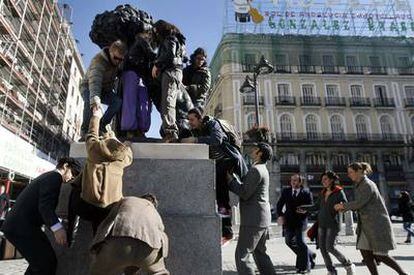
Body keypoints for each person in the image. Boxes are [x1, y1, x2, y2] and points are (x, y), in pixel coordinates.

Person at [2, 158, 81, 275]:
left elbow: (41, 206)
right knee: (46, 262)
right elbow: (45, 206)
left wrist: (57, 222)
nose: (72, 178)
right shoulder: (54, 177)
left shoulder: (48, 176)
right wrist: (57, 228)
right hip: (22, 227)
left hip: (21, 226)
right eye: (73, 173)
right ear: (65, 166)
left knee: (40, 263)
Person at [181, 107, 247, 243]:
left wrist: (195, 140)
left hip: (228, 160)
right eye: (189, 120)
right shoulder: (196, 130)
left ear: (200, 118)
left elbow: (217, 140)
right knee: (219, 197)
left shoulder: (212, 123)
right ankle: (224, 229)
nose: (190, 122)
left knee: (222, 196)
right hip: (216, 163)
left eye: (192, 119)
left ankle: (227, 231)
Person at [68, 104, 133, 236]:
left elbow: (91, 134)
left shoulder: (94, 149)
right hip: (110, 208)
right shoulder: (122, 158)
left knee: (76, 186)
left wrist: (96, 116)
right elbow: (129, 155)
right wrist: (125, 145)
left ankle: (70, 230)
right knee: (100, 233)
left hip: (87, 205)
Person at [334, 162, 408, 275]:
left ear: (359, 171)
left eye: (350, 172)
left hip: (376, 224)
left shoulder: (367, 184)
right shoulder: (360, 184)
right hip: (366, 226)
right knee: (366, 254)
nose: (349, 175)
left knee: (381, 255)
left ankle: (403, 274)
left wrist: (343, 206)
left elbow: (360, 203)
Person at [226, 142, 276, 275]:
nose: (252, 151)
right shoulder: (262, 169)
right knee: (260, 254)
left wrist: (230, 180)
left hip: (253, 219)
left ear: (260, 153)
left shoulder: (256, 170)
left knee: (242, 255)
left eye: (255, 149)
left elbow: (244, 192)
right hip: (261, 218)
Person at [90, 194, 169, 275]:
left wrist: (96, 245)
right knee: (159, 272)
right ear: (154, 205)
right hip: (149, 248)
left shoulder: (126, 200)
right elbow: (162, 236)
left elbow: (108, 222)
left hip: (120, 243)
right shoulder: (155, 213)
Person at [298, 171, 355, 275]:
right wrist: (303, 208)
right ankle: (331, 270)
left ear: (331, 180)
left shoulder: (338, 191)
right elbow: (315, 207)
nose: (323, 181)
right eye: (322, 180)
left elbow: (345, 204)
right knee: (323, 249)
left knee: (330, 247)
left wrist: (341, 205)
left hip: (332, 224)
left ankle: (348, 264)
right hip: (321, 224)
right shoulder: (322, 192)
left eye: (325, 179)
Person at [80, 40, 128, 138]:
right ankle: (85, 131)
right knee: (90, 103)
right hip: (88, 86)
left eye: (121, 60)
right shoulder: (98, 61)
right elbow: (95, 83)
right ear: (110, 52)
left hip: (105, 89)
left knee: (117, 102)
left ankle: (101, 126)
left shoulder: (117, 62)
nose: (118, 61)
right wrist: (95, 100)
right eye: (116, 58)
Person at [152, 20, 187, 142]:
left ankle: (170, 132)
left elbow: (170, 55)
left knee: (167, 102)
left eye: (156, 31)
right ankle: (169, 131)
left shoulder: (170, 39)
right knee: (168, 102)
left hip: (171, 71)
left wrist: (157, 64)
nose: (155, 34)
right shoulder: (176, 39)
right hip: (174, 72)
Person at [276, 173, 316, 274]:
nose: (293, 182)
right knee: (289, 242)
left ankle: (304, 267)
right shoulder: (286, 191)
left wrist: (306, 211)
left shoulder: (306, 193)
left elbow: (312, 207)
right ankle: (310, 254)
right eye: (291, 180)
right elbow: (279, 204)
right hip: (289, 221)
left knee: (300, 242)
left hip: (300, 221)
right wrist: (280, 215)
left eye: (295, 180)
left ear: (300, 182)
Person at [121, 30, 157, 138]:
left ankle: (137, 129)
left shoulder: (142, 43)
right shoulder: (142, 40)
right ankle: (132, 129)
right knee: (132, 101)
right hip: (132, 72)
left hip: (138, 75)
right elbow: (152, 55)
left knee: (141, 102)